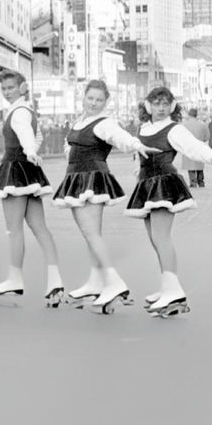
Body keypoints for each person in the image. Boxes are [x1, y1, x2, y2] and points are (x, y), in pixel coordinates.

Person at [51, 79, 156, 313]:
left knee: (91, 234)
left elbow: (119, 136)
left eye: (99, 100)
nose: (94, 103)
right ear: (83, 97)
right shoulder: (81, 121)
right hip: (76, 177)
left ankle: (114, 282)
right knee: (91, 235)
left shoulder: (104, 122)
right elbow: (71, 148)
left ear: (105, 101)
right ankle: (96, 280)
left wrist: (135, 144)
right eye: (91, 98)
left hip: (91, 178)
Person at [125, 87, 212, 317]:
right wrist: (139, 168)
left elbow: (192, 146)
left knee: (161, 238)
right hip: (146, 183)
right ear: (148, 105)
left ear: (172, 106)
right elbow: (143, 155)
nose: (161, 108)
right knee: (155, 239)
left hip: (163, 184)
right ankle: (167, 286)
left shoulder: (174, 129)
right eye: (157, 103)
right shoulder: (144, 128)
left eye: (165, 103)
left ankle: (174, 292)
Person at [0, 69, 64, 304]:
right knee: (40, 228)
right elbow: (37, 136)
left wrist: (29, 150)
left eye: (11, 88)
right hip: (29, 171)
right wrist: (32, 152)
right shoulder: (27, 109)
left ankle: (15, 278)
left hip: (14, 170)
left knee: (14, 228)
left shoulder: (18, 112)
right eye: (4, 89)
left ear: (22, 87)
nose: (7, 92)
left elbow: (28, 135)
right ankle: (55, 279)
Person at [180, 107, 209, 187]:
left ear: (189, 115)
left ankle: (193, 182)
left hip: (189, 148)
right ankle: (201, 182)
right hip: (199, 147)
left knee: (190, 165)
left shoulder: (184, 125)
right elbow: (207, 137)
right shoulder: (203, 125)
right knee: (199, 164)